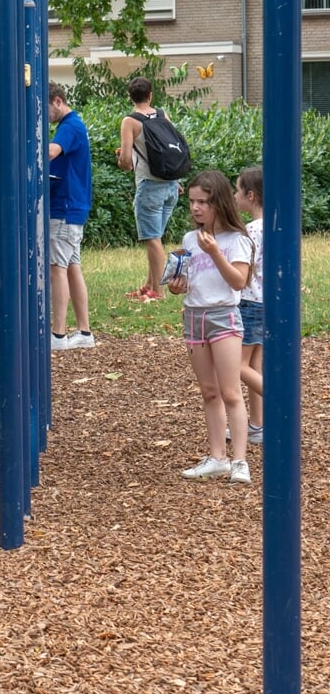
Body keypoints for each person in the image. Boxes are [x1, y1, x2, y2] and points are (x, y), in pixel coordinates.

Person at [166, 170, 254, 485]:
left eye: (203, 201)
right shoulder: (190, 239)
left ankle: (240, 460)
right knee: (209, 391)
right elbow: (189, 283)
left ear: (219, 203)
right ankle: (217, 457)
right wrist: (177, 286)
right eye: (191, 202)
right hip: (194, 317)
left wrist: (215, 252)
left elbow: (238, 282)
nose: (195, 208)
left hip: (224, 316)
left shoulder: (237, 240)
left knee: (231, 391)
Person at [117, 76, 183, 302]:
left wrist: (123, 161)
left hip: (149, 186)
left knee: (153, 239)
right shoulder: (163, 115)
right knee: (156, 239)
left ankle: (159, 291)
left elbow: (126, 160)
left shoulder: (130, 121)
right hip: (171, 185)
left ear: (130, 96)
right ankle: (148, 284)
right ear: (151, 95)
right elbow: (170, 148)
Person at [46, 83, 96, 350]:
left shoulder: (69, 126)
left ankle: (58, 334)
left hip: (63, 207)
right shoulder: (75, 125)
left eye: (45, 110)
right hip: (73, 206)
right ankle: (84, 331)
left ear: (57, 101)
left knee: (58, 269)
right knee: (72, 265)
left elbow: (51, 152)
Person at [234, 166, 265, 444]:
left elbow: (245, 269)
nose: (234, 195)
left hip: (249, 302)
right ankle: (257, 424)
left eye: (237, 190)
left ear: (251, 195)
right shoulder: (276, 225)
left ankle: (280, 400)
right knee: (254, 363)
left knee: (236, 365)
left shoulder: (251, 231)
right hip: (267, 303)